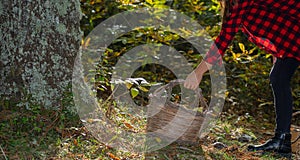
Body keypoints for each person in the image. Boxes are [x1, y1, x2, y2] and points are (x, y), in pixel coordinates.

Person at [184, 0, 300, 157]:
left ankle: (282, 140)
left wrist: (198, 72)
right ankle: (282, 141)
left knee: (279, 78)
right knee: (278, 78)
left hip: (295, 40)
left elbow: (224, 38)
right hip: (291, 43)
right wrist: (276, 52)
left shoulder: (243, 2)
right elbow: (274, 21)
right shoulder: (236, 6)